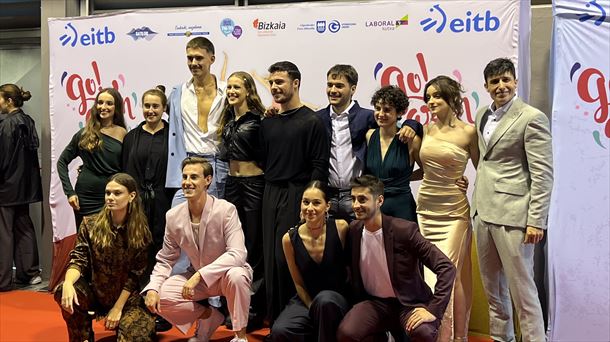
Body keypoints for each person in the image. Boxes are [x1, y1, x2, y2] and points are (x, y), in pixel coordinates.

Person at [472, 57, 553, 342]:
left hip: (515, 217)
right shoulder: (481, 114)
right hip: (483, 214)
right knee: (493, 291)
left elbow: (543, 175)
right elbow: (484, 161)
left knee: (524, 295)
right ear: (486, 86)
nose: (501, 86)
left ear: (516, 82)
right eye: (495, 81)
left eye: (506, 79)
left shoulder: (532, 117)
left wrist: (536, 221)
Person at [143, 157, 252, 342]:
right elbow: (166, 259)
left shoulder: (226, 210)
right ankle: (209, 317)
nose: (187, 182)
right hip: (197, 279)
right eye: (185, 177)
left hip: (226, 274)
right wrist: (153, 288)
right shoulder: (173, 216)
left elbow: (238, 254)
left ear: (208, 180)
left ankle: (240, 337)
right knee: (164, 294)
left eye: (194, 177)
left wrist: (199, 275)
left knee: (237, 275)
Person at [337, 175, 456, 342]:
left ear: (379, 200)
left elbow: (446, 267)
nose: (356, 205)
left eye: (362, 199)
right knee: (347, 333)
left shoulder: (404, 230)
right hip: (374, 304)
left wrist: (433, 309)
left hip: (408, 304)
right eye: (354, 199)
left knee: (423, 332)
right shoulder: (354, 230)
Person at [259, 61, 330, 323]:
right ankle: (276, 323)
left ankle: (297, 322)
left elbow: (319, 165)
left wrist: (309, 202)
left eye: (280, 82)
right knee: (270, 260)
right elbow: (264, 161)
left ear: (296, 83)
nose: (275, 87)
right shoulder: (267, 123)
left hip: (297, 195)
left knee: (288, 260)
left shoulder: (313, 121)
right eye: (272, 82)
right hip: (270, 193)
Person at [54, 173, 155, 342]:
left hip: (127, 299)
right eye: (108, 193)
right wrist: (69, 283)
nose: (110, 197)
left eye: (117, 193)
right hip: (95, 293)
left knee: (138, 336)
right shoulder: (89, 224)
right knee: (63, 290)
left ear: (131, 196)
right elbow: (79, 260)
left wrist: (117, 308)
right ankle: (81, 337)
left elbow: (135, 276)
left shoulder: (140, 232)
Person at [416, 76, 479, 341]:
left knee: (447, 275)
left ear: (452, 98)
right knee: (430, 274)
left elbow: (483, 169)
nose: (430, 101)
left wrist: (467, 184)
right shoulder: (426, 130)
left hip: (454, 213)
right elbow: (421, 169)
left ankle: (448, 336)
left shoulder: (469, 132)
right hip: (425, 209)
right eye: (428, 97)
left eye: (436, 97)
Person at [315, 65, 422, 222]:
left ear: (353, 89)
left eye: (339, 85)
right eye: (330, 84)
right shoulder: (318, 119)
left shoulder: (366, 118)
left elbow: (404, 125)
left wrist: (412, 124)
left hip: (365, 199)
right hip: (331, 196)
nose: (333, 90)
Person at [272, 181, 350, 342]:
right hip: (307, 300)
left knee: (325, 301)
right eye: (305, 202)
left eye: (316, 203)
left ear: (327, 206)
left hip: (336, 299)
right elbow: (298, 283)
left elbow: (351, 270)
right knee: (280, 330)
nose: (310, 208)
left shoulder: (341, 228)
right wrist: (312, 308)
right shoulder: (288, 239)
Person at [219, 71, 267, 330]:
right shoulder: (228, 121)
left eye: (236, 87)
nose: (231, 92)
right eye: (229, 88)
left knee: (254, 246)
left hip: (254, 185)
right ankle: (235, 306)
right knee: (234, 245)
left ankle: (254, 308)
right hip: (232, 184)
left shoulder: (259, 120)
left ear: (248, 90)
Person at [166, 37, 228, 203]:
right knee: (177, 219)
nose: (193, 63)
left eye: (199, 58)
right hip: (188, 164)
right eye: (189, 58)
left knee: (214, 224)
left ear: (212, 59)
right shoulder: (178, 93)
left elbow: (249, 112)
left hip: (218, 166)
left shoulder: (227, 91)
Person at [57, 87, 127, 229]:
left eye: (109, 103)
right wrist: (70, 193)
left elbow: (126, 167)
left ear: (116, 107)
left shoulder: (123, 133)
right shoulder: (84, 133)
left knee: (110, 243)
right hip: (85, 198)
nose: (103, 107)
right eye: (100, 103)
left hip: (112, 197)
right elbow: (62, 162)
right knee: (85, 243)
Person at [0, 84, 42, 291]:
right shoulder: (28, 120)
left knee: (4, 233)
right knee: (24, 227)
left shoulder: (6, 124)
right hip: (26, 187)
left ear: (8, 101)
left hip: (6, 187)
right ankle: (30, 273)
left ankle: (3, 279)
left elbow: (4, 158)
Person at [365, 86, 421, 222]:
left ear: (400, 112)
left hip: (401, 207)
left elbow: (426, 171)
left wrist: (404, 179)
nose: (381, 114)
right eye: (378, 108)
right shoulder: (369, 135)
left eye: (387, 110)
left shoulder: (411, 140)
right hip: (375, 205)